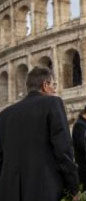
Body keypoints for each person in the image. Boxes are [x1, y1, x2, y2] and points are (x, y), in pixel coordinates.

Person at [0, 66, 79, 200]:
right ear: (45, 85)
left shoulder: (4, 115)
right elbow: (63, 149)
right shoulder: (52, 103)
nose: (54, 90)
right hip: (43, 189)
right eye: (53, 85)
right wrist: (73, 186)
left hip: (9, 191)